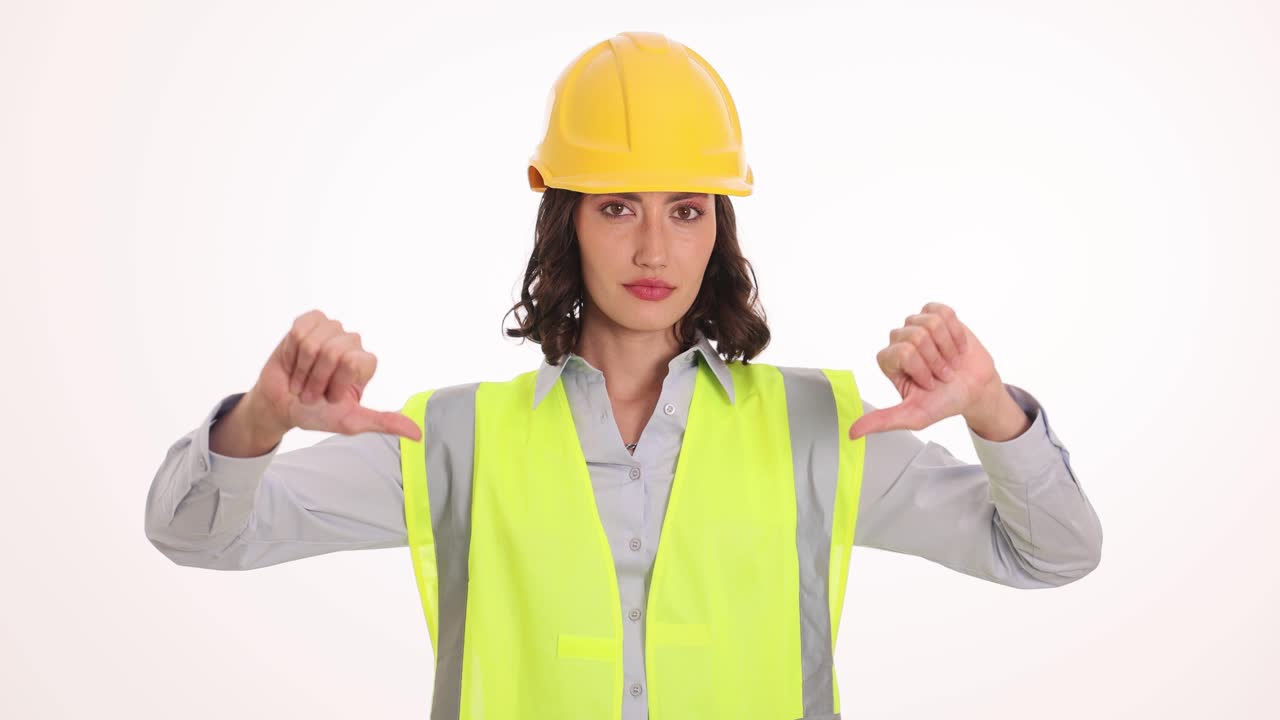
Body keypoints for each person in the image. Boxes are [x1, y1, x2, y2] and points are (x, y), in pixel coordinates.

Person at [144, 31, 1102, 720]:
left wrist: (991, 411)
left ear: (719, 227)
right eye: (616, 207)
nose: (653, 247)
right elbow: (196, 537)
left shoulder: (818, 430)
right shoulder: (454, 442)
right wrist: (259, 421)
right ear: (565, 221)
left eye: (686, 209)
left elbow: (1053, 554)